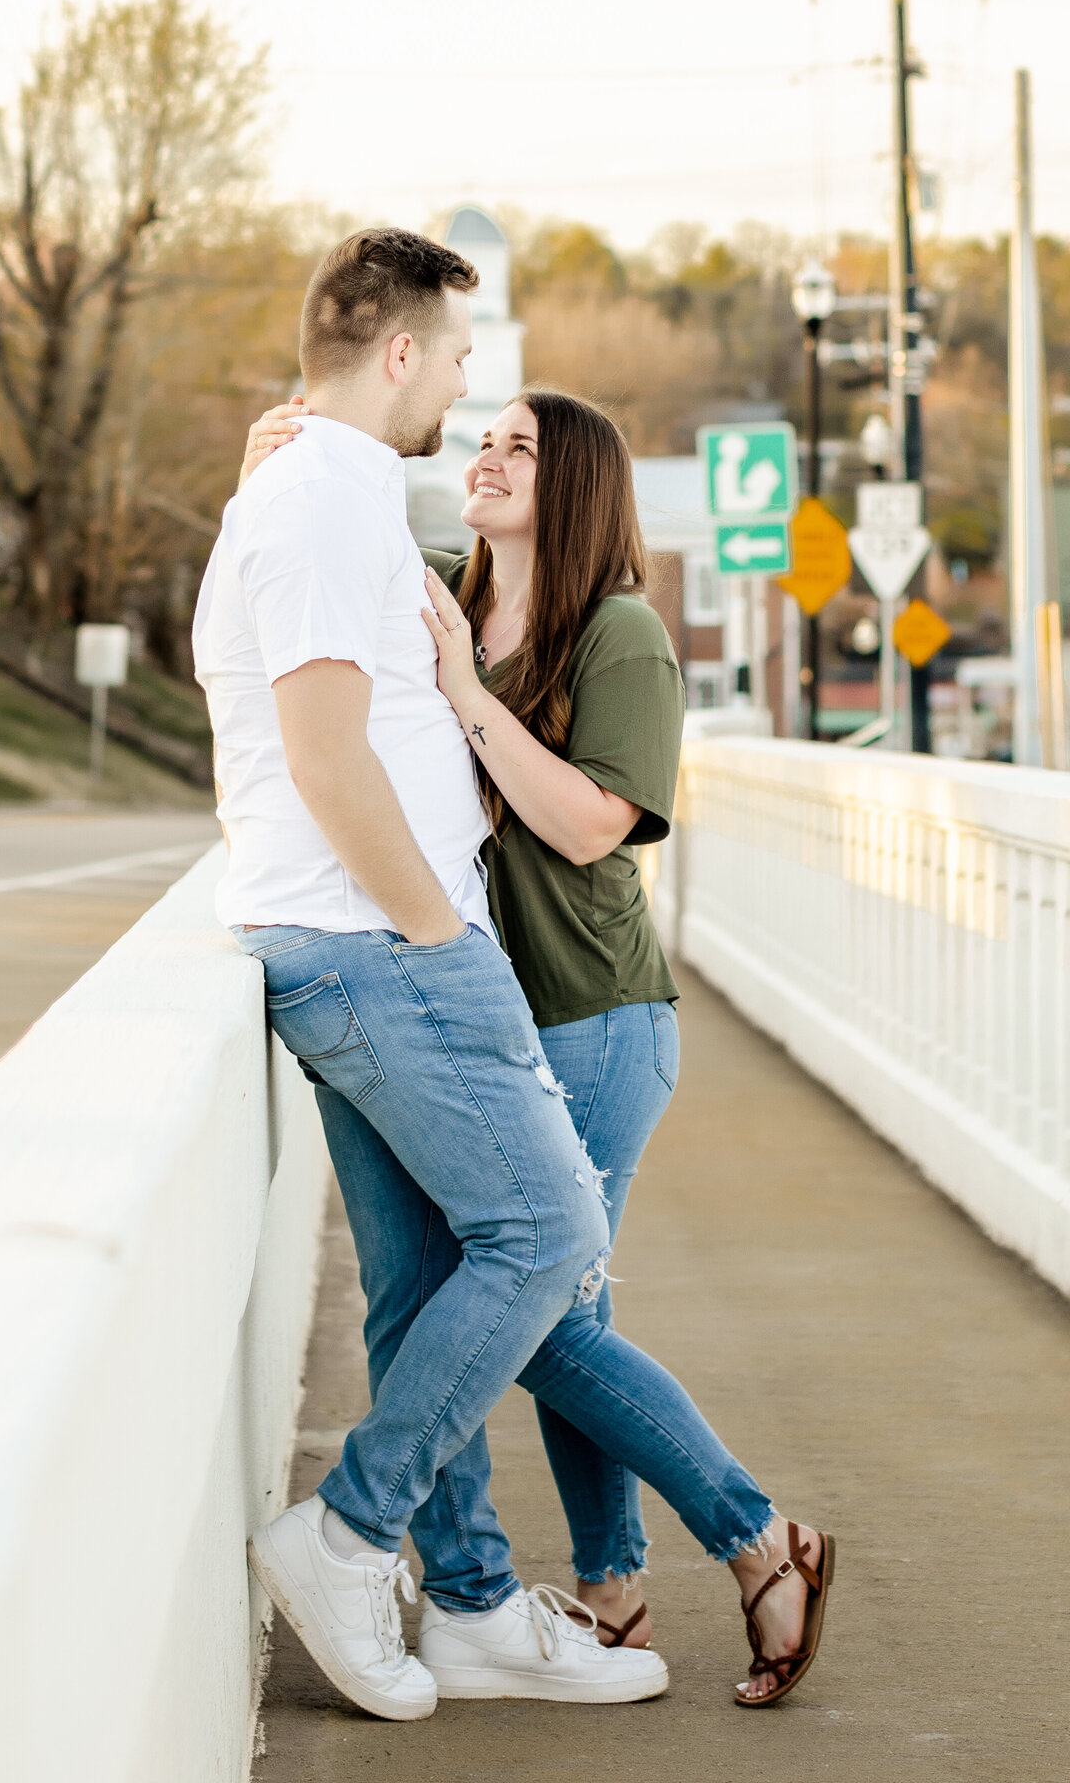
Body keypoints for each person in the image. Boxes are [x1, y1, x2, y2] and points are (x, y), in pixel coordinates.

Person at [197, 228, 834, 1726]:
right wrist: (431, 925)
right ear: (403, 354)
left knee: (535, 1293)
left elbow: (601, 819)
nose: (481, 427)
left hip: (593, 1008)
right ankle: (412, 1556)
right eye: (470, 387)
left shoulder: (605, 628)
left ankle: (605, 1571)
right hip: (409, 962)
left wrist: (470, 730)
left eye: (516, 439)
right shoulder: (393, 544)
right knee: (507, 1276)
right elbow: (306, 704)